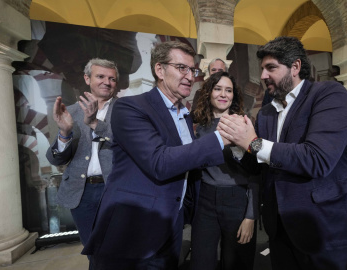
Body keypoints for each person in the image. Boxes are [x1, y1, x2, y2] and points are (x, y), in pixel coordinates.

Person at [218, 36, 347, 270]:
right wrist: (238, 145)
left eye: (271, 68)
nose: (263, 76)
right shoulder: (267, 113)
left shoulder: (329, 94)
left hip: (328, 228)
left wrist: (253, 143)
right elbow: (259, 166)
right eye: (262, 69)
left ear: (296, 67)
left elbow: (317, 159)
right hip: (280, 229)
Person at [83, 41, 229, 270]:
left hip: (171, 228)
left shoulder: (186, 115)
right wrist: (222, 137)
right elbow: (160, 162)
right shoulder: (130, 108)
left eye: (193, 70)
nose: (190, 77)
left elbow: (188, 161)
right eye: (182, 68)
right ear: (159, 70)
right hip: (134, 233)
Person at [46, 58, 119, 269]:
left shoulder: (127, 111)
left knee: (114, 249)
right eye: (101, 76)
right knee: (94, 250)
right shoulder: (69, 112)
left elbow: (129, 145)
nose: (107, 82)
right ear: (87, 79)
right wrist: (64, 133)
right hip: (81, 193)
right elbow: (56, 158)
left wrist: (96, 123)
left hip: (114, 190)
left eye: (112, 78)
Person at [190, 72, 259, 270]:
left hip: (237, 200)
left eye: (228, 90)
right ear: (209, 93)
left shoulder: (244, 124)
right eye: (218, 89)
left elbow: (256, 172)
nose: (223, 94)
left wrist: (251, 216)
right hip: (205, 200)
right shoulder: (200, 126)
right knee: (201, 262)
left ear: (234, 95)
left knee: (236, 263)